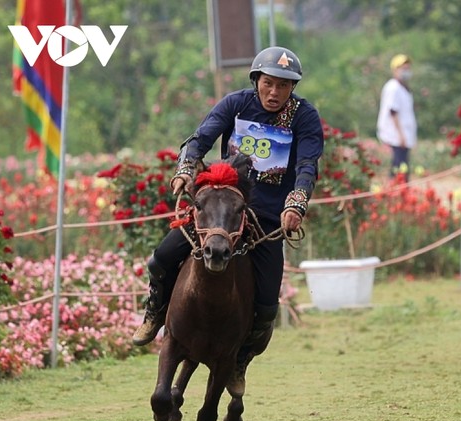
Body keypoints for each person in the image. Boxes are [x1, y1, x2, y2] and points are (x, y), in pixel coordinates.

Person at [132, 46, 324, 354]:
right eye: (268, 83)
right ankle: (154, 314)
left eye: (283, 85)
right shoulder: (235, 104)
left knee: (266, 305)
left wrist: (296, 203)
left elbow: (307, 165)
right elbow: (200, 139)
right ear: (256, 80)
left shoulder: (304, 117)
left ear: (293, 87)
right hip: (221, 211)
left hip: (266, 219)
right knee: (161, 260)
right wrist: (185, 168)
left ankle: (240, 359)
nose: (274, 92)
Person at [377, 54, 417, 180]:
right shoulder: (393, 87)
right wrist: (401, 136)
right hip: (396, 136)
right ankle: (395, 195)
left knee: (401, 168)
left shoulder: (403, 87)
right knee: (398, 169)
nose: (406, 71)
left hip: (403, 136)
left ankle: (401, 195)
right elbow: (393, 112)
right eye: (403, 68)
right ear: (394, 70)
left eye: (407, 68)